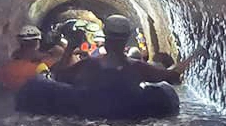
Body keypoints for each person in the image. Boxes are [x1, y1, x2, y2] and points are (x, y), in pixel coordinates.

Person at [51, 15, 199, 89]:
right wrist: (195, 55)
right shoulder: (138, 68)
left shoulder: (88, 65)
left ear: (106, 37)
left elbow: (58, 76)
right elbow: (171, 75)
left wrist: (70, 47)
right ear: (126, 39)